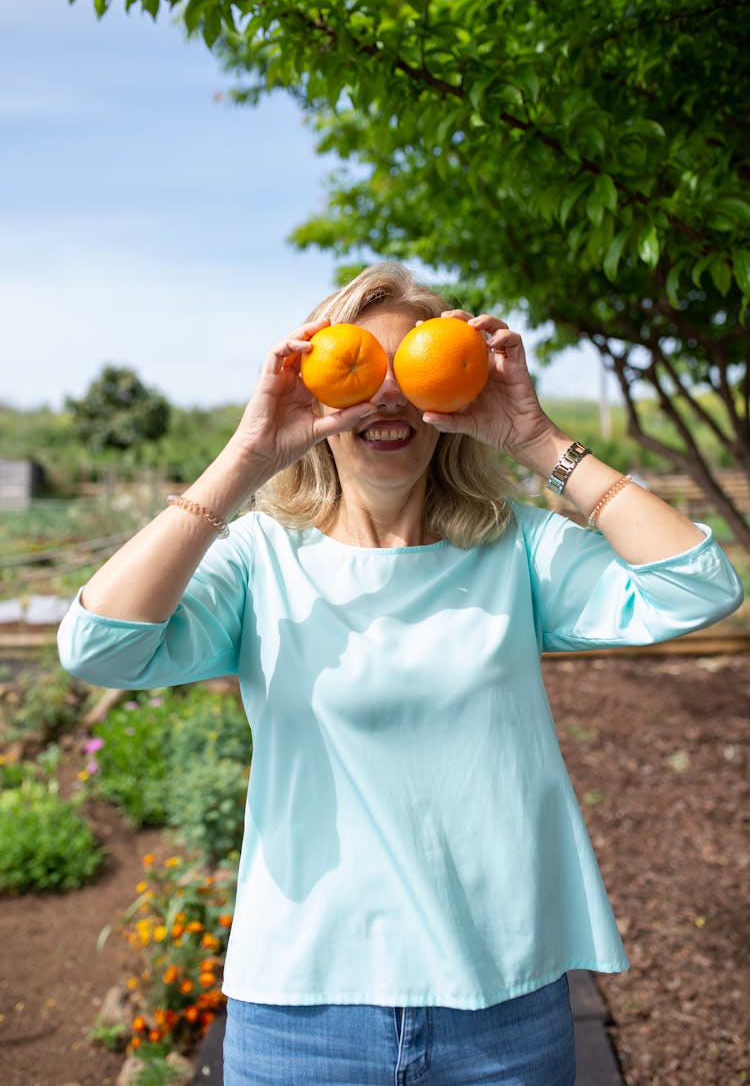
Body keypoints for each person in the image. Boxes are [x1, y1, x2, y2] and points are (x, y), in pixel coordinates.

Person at [58, 262, 742, 1086]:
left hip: (504, 1009)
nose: (385, 399)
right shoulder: (260, 561)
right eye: (359, 374)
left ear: (451, 395)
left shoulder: (516, 548)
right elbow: (98, 646)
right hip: (301, 1013)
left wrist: (537, 441)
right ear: (313, 390)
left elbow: (700, 586)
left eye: (410, 373)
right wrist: (245, 459)